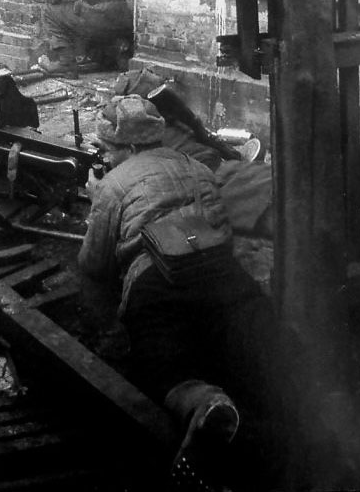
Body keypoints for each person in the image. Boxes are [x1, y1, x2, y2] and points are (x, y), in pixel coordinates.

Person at [79, 94, 294, 489]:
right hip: (222, 273)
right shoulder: (197, 167)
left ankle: (204, 405)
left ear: (126, 146)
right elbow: (224, 230)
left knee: (166, 367)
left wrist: (99, 203)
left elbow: (93, 265)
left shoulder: (113, 183)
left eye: (108, 150)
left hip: (156, 281)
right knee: (256, 349)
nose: (105, 158)